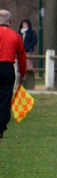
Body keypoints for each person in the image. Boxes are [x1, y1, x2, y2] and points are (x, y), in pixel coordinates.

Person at [0, 10, 27, 139]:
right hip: (7, 69)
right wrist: (22, 73)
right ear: (9, 22)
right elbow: (22, 57)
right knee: (5, 98)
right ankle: (1, 127)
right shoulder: (16, 36)